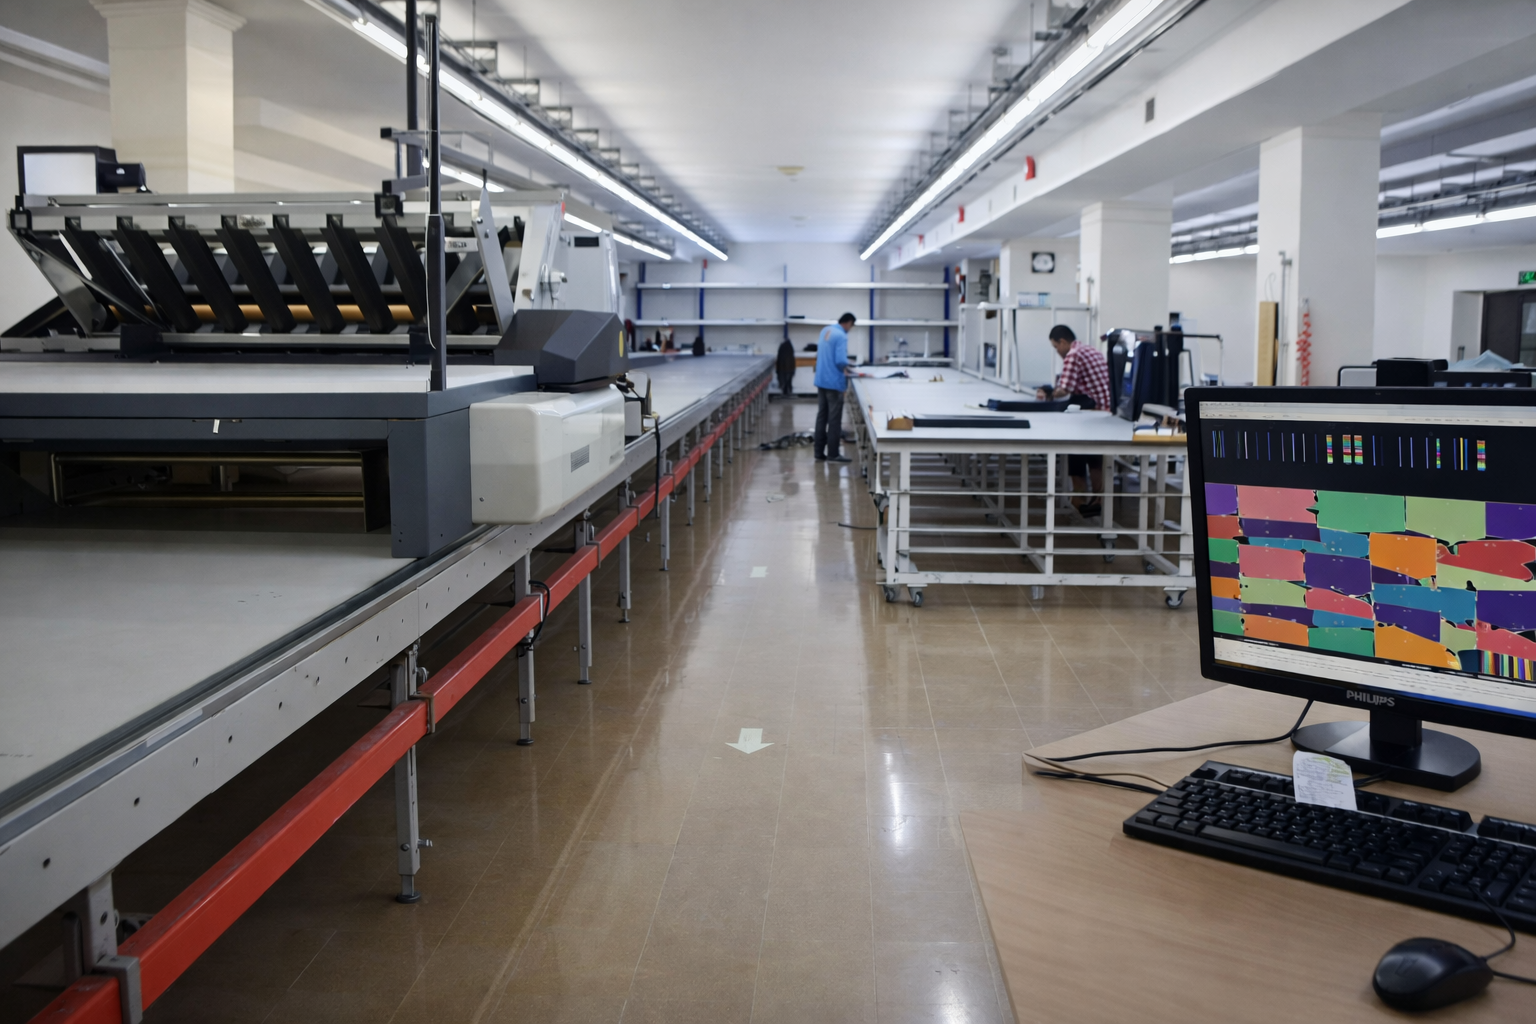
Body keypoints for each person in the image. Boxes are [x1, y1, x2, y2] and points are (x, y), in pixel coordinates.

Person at [1035, 324, 1112, 518]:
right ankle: (1098, 498)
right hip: (1105, 412)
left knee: (1075, 449)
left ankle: (1079, 497)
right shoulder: (1090, 349)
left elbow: (1064, 390)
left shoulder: (1073, 354)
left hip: (1092, 413)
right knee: (1095, 456)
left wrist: (1047, 393)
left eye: (1056, 347)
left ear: (1063, 342)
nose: (1057, 352)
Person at [813, 313, 856, 462]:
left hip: (821, 380)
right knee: (834, 420)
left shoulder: (825, 330)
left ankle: (818, 453)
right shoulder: (841, 336)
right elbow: (840, 361)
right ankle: (833, 454)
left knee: (821, 417)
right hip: (834, 383)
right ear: (849, 322)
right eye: (851, 326)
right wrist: (850, 367)